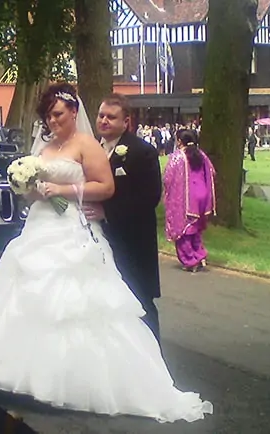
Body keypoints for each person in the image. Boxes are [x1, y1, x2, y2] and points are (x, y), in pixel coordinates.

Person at [0, 83, 212, 423]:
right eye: (48, 115)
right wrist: (27, 187)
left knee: (73, 304)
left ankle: (77, 382)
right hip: (39, 226)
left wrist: (62, 189)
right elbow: (35, 191)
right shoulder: (45, 146)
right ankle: (24, 374)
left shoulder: (86, 145)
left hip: (70, 228)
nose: (53, 120)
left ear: (74, 112)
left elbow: (105, 187)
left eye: (58, 114)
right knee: (25, 297)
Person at [85, 93, 163, 341]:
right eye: (101, 115)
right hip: (95, 240)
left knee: (139, 302)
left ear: (126, 121)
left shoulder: (142, 152)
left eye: (111, 117)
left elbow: (149, 198)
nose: (104, 121)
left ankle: (153, 359)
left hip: (132, 243)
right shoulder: (89, 149)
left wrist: (108, 212)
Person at [163, 129, 216, 272]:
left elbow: (167, 178)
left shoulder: (178, 157)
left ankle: (191, 260)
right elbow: (212, 172)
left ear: (179, 141)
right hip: (202, 196)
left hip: (187, 198)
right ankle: (200, 255)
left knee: (184, 231)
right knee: (195, 228)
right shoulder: (201, 155)